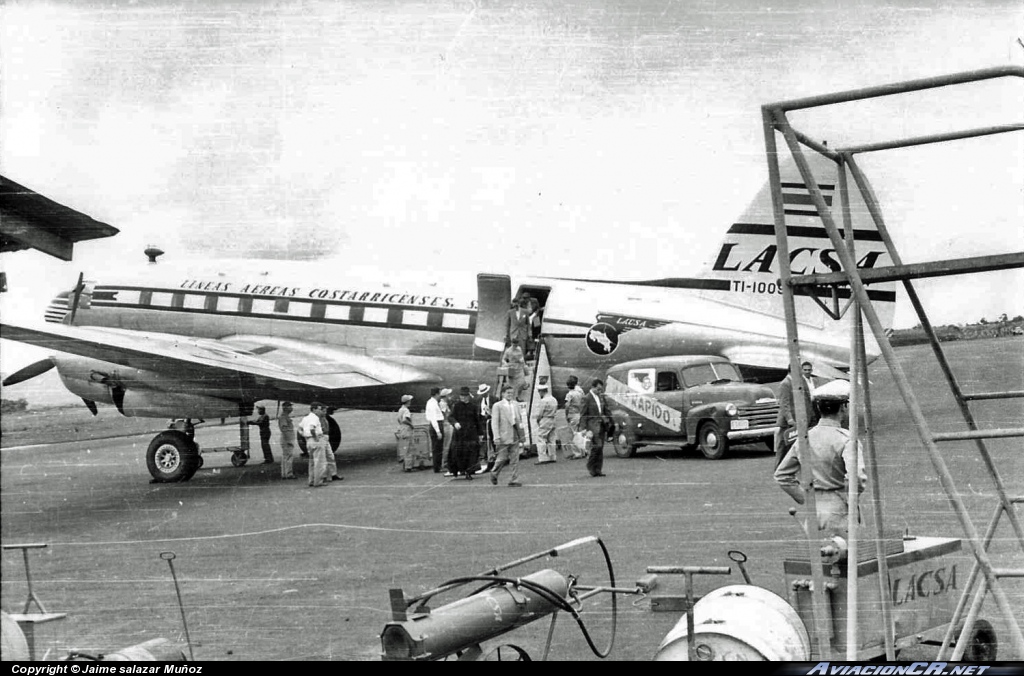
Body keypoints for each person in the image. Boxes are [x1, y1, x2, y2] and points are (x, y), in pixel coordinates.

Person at [774, 379, 867, 536]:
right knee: (848, 557)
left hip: (814, 511)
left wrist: (805, 498)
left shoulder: (804, 438)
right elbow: (857, 477)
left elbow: (781, 475)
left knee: (818, 558)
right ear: (843, 408)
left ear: (818, 407)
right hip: (840, 511)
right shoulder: (846, 439)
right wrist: (848, 498)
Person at [775, 361, 819, 469]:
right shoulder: (785, 384)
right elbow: (784, 404)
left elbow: (807, 400)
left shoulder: (801, 382)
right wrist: (790, 419)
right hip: (788, 423)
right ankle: (779, 469)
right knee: (783, 447)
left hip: (801, 420)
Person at [489, 385, 525, 487]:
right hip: (503, 434)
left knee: (515, 458)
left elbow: (520, 420)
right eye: (508, 393)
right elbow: (494, 422)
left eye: (511, 393)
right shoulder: (498, 406)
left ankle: (514, 479)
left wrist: (522, 434)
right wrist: (496, 436)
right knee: (502, 458)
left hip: (515, 433)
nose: (510, 395)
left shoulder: (516, 404)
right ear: (503, 394)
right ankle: (494, 472)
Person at [578, 379, 614, 478]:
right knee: (597, 446)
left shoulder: (601, 397)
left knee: (600, 448)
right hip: (592, 426)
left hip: (602, 425)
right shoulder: (586, 398)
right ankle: (591, 467)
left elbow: (606, 410)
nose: (600, 391)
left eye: (601, 389)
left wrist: (611, 422)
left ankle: (598, 470)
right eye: (598, 389)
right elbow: (583, 414)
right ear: (593, 387)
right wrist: (583, 428)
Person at [449, 386, 481, 480]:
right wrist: (455, 423)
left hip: (471, 434)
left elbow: (477, 420)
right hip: (459, 434)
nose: (463, 398)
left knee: (471, 454)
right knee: (457, 453)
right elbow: (450, 417)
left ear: (468, 396)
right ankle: (456, 471)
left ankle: (469, 472)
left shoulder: (473, 406)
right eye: (461, 396)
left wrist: (480, 433)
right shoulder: (456, 406)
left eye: (464, 396)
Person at [299, 402, 329, 487]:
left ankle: (311, 480)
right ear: (314, 409)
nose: (320, 411)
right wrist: (315, 437)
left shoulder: (305, 418)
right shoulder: (315, 418)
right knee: (319, 462)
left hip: (309, 441)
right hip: (316, 440)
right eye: (319, 409)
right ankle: (318, 481)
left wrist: (304, 435)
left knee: (311, 462)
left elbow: (299, 429)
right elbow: (312, 428)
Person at [532, 383, 559, 464]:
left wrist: (538, 420)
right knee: (551, 438)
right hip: (553, 419)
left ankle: (543, 458)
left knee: (541, 438)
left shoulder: (543, 400)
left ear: (541, 391)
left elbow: (540, 413)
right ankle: (552, 456)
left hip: (545, 419)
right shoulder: (554, 399)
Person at [561, 375, 586, 459]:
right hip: (580, 413)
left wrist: (566, 415)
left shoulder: (569, 394)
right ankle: (583, 451)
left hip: (573, 414)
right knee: (580, 434)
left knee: (573, 435)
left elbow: (567, 405)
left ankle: (577, 453)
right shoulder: (580, 392)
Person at [425, 387, 446, 473]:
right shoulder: (433, 404)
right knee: (437, 448)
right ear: (436, 394)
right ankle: (437, 467)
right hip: (436, 424)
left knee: (437, 447)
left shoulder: (430, 402)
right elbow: (433, 418)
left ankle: (437, 466)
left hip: (435, 424)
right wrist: (438, 431)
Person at [320, 407, 343, 482]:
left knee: (330, 456)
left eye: (325, 411)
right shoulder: (316, 419)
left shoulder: (325, 419)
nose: (325, 412)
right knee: (322, 459)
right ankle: (323, 477)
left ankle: (333, 474)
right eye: (323, 411)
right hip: (321, 438)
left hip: (326, 438)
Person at [476, 383, 495, 473]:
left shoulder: (494, 399)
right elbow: (479, 412)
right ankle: (486, 457)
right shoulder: (479, 400)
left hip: (492, 420)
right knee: (485, 440)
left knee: (494, 439)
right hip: (484, 422)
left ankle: (496, 457)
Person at [395, 394, 416, 472]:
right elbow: (405, 420)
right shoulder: (406, 410)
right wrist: (411, 425)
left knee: (404, 448)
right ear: (407, 402)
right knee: (409, 449)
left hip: (402, 429)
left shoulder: (400, 409)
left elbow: (399, 419)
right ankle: (408, 466)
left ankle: (405, 465)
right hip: (407, 430)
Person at [277, 401, 297, 479]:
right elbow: (284, 429)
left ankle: (285, 474)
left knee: (286, 456)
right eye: (290, 406)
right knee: (288, 456)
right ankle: (288, 474)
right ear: (285, 408)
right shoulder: (283, 417)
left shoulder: (285, 416)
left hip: (286, 438)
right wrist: (289, 440)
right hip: (287, 439)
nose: (291, 408)